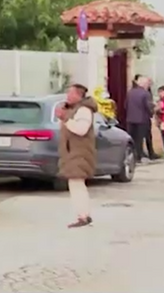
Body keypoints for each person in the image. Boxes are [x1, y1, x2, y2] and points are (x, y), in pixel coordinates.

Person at [54, 83, 98, 228]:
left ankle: (83, 216)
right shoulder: (74, 110)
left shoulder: (84, 111)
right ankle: (84, 214)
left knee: (77, 185)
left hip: (79, 153)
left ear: (78, 95)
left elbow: (81, 130)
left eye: (70, 93)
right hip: (72, 152)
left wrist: (65, 118)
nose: (68, 96)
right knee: (76, 185)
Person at [126, 75, 157, 163]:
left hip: (130, 119)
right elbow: (148, 106)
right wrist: (152, 113)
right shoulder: (145, 93)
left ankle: (131, 155)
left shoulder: (130, 92)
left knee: (132, 138)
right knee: (140, 139)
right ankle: (138, 157)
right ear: (144, 84)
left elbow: (126, 105)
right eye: (147, 83)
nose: (148, 85)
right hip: (142, 119)